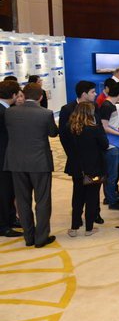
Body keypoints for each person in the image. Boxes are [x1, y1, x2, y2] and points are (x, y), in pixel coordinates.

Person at [4, 83, 59, 248]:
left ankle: (28, 237)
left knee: (22, 200)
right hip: (40, 162)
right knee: (42, 200)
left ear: (23, 95)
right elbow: (53, 133)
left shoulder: (9, 112)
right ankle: (41, 238)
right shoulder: (45, 113)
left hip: (16, 162)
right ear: (40, 97)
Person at [59, 81, 106, 226]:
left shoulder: (95, 106)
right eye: (92, 92)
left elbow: (99, 129)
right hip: (77, 160)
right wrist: (72, 155)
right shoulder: (67, 109)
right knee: (78, 190)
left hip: (94, 160)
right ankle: (77, 217)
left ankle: (95, 214)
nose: (96, 94)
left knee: (94, 190)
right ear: (84, 94)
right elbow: (64, 136)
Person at [66, 102, 108, 237]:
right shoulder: (94, 129)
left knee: (77, 196)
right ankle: (89, 228)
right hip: (94, 168)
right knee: (92, 197)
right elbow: (105, 145)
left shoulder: (70, 128)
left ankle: (74, 227)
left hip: (77, 168)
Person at [99, 83, 119, 210]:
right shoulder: (107, 106)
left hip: (114, 142)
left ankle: (111, 197)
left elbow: (112, 125)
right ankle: (111, 200)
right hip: (110, 144)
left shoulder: (111, 105)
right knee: (111, 175)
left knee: (112, 174)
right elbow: (104, 127)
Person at [0, 81, 22, 237]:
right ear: (14, 95)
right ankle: (3, 226)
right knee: (4, 192)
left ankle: (11, 218)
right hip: (2, 159)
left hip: (7, 158)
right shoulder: (3, 112)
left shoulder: (6, 110)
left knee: (10, 191)